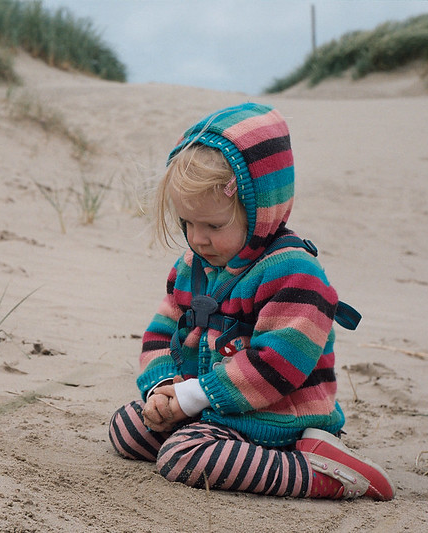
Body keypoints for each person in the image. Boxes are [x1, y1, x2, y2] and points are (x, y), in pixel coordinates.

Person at [109, 102, 394, 500]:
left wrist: (194, 397)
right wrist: (164, 387)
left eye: (213, 225)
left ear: (260, 209)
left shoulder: (294, 273)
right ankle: (204, 433)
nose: (198, 239)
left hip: (273, 415)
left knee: (183, 457)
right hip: (209, 404)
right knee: (128, 427)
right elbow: (161, 331)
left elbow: (278, 362)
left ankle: (318, 471)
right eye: (187, 223)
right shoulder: (193, 266)